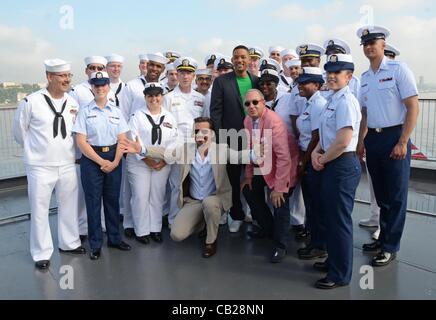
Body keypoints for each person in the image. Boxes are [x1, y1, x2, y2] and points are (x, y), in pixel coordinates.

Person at [120, 117, 251, 258]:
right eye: (196, 131)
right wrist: (142, 149)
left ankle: (210, 241)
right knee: (177, 235)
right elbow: (165, 153)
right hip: (194, 201)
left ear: (212, 133)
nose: (200, 134)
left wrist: (257, 153)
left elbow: (239, 156)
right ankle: (204, 222)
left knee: (209, 204)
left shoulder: (221, 149)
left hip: (215, 199)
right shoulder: (186, 149)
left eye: (204, 131)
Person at [13, 59, 85, 270]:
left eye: (69, 75)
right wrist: (36, 151)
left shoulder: (72, 103)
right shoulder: (31, 102)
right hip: (40, 166)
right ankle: (41, 253)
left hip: (67, 163)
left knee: (69, 205)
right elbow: (20, 132)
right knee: (40, 209)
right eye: (62, 76)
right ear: (49, 77)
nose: (67, 79)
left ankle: (69, 242)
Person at [357, 26, 419, 267]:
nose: (369, 46)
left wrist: (403, 141)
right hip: (373, 138)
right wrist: (362, 141)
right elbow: (364, 112)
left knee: (395, 196)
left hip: (395, 136)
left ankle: (391, 247)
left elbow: (413, 106)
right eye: (366, 43)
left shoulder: (398, 69)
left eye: (374, 42)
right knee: (381, 195)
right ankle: (383, 238)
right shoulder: (364, 78)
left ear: (383, 45)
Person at [311, 54, 362, 289]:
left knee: (339, 221)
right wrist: (316, 152)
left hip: (341, 164)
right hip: (331, 162)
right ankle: (334, 260)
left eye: (337, 72)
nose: (331, 76)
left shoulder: (346, 101)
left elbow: (343, 140)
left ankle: (340, 274)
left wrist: (322, 158)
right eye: (329, 72)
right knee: (330, 218)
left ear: (348, 77)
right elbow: (326, 134)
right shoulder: (332, 99)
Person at [72, 71, 131, 260]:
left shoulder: (116, 111)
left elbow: (122, 139)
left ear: (108, 87)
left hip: (114, 157)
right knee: (93, 202)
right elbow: (81, 142)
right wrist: (101, 161)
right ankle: (95, 244)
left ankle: (114, 238)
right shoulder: (85, 111)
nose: (100, 88)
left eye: (103, 85)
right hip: (91, 160)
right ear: (92, 88)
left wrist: (114, 162)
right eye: (96, 85)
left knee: (112, 201)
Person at [242, 89, 299, 263]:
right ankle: (269, 229)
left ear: (263, 103)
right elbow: (250, 148)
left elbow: (283, 156)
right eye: (247, 104)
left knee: (279, 202)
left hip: (285, 166)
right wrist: (249, 175)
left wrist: (279, 188)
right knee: (249, 191)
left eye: (255, 102)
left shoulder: (274, 121)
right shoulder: (247, 121)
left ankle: (280, 245)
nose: (251, 106)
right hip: (265, 165)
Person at [210, 45, 259, 233]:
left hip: (253, 139)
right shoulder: (222, 82)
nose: (240, 60)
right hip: (230, 139)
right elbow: (216, 111)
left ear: (249, 60)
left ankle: (254, 214)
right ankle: (236, 215)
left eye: (243, 57)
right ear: (232, 60)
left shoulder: (256, 80)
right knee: (231, 179)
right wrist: (221, 140)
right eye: (236, 57)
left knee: (253, 178)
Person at [126, 83, 179, 244]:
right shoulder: (137, 116)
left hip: (162, 163)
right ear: (145, 97)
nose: (154, 99)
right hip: (140, 163)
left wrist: (163, 161)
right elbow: (132, 140)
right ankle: (141, 231)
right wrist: (147, 159)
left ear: (161, 97)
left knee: (157, 196)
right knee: (140, 196)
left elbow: (174, 141)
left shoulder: (169, 117)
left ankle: (155, 229)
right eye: (150, 96)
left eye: (157, 95)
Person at [70, 56, 114, 239]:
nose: (96, 69)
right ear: (86, 70)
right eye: (92, 67)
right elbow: (73, 121)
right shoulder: (77, 91)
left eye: (100, 67)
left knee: (108, 197)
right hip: (86, 151)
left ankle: (105, 228)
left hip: (109, 151)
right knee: (86, 197)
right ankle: (83, 230)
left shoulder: (110, 95)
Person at [164, 57, 205, 227]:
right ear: (177, 75)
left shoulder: (200, 98)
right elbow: (166, 126)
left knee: (197, 183)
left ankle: (196, 220)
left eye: (188, 73)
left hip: (197, 146)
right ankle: (174, 220)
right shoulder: (169, 97)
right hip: (178, 146)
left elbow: (206, 122)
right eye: (182, 73)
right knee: (176, 185)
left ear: (194, 75)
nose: (185, 76)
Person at [293, 67, 328, 260]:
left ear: (317, 85)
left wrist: (303, 162)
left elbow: (316, 137)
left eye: (305, 83)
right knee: (311, 204)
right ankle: (314, 241)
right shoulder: (308, 103)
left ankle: (320, 245)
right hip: (306, 156)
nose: (300, 85)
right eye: (300, 82)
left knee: (316, 204)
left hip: (312, 159)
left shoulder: (318, 104)